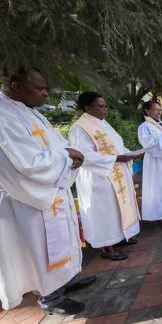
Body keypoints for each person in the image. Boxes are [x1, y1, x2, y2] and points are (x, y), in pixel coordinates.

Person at [0, 68, 93, 315]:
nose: (45, 93)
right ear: (16, 86)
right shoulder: (3, 115)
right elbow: (28, 163)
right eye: (39, 88)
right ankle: (50, 298)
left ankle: (66, 281)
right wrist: (66, 157)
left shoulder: (28, 111)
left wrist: (68, 156)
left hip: (53, 187)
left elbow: (55, 143)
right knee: (42, 248)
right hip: (31, 198)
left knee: (62, 239)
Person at [69, 92, 140, 261]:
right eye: (101, 106)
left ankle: (119, 237)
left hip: (115, 173)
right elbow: (83, 156)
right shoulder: (80, 128)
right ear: (88, 108)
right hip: (98, 179)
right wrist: (116, 158)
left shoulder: (102, 124)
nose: (105, 110)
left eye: (105, 106)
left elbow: (117, 147)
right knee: (104, 213)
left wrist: (129, 154)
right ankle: (106, 247)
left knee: (116, 209)